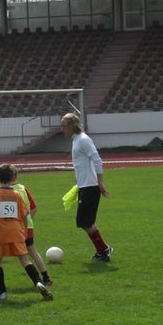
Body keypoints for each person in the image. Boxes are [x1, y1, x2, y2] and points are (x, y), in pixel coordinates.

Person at [0, 164, 53, 301]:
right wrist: (24, 231)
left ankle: (2, 293)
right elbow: (25, 215)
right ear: (12, 178)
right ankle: (38, 282)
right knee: (25, 260)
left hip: (0, 233)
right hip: (17, 232)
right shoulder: (17, 195)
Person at [60, 112, 113, 262]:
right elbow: (81, 163)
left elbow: (97, 159)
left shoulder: (83, 140)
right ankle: (102, 250)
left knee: (84, 221)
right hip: (84, 185)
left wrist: (100, 182)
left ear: (72, 125)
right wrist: (77, 182)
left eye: (64, 125)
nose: (62, 128)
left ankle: (104, 250)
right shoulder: (76, 140)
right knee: (85, 221)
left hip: (90, 185)